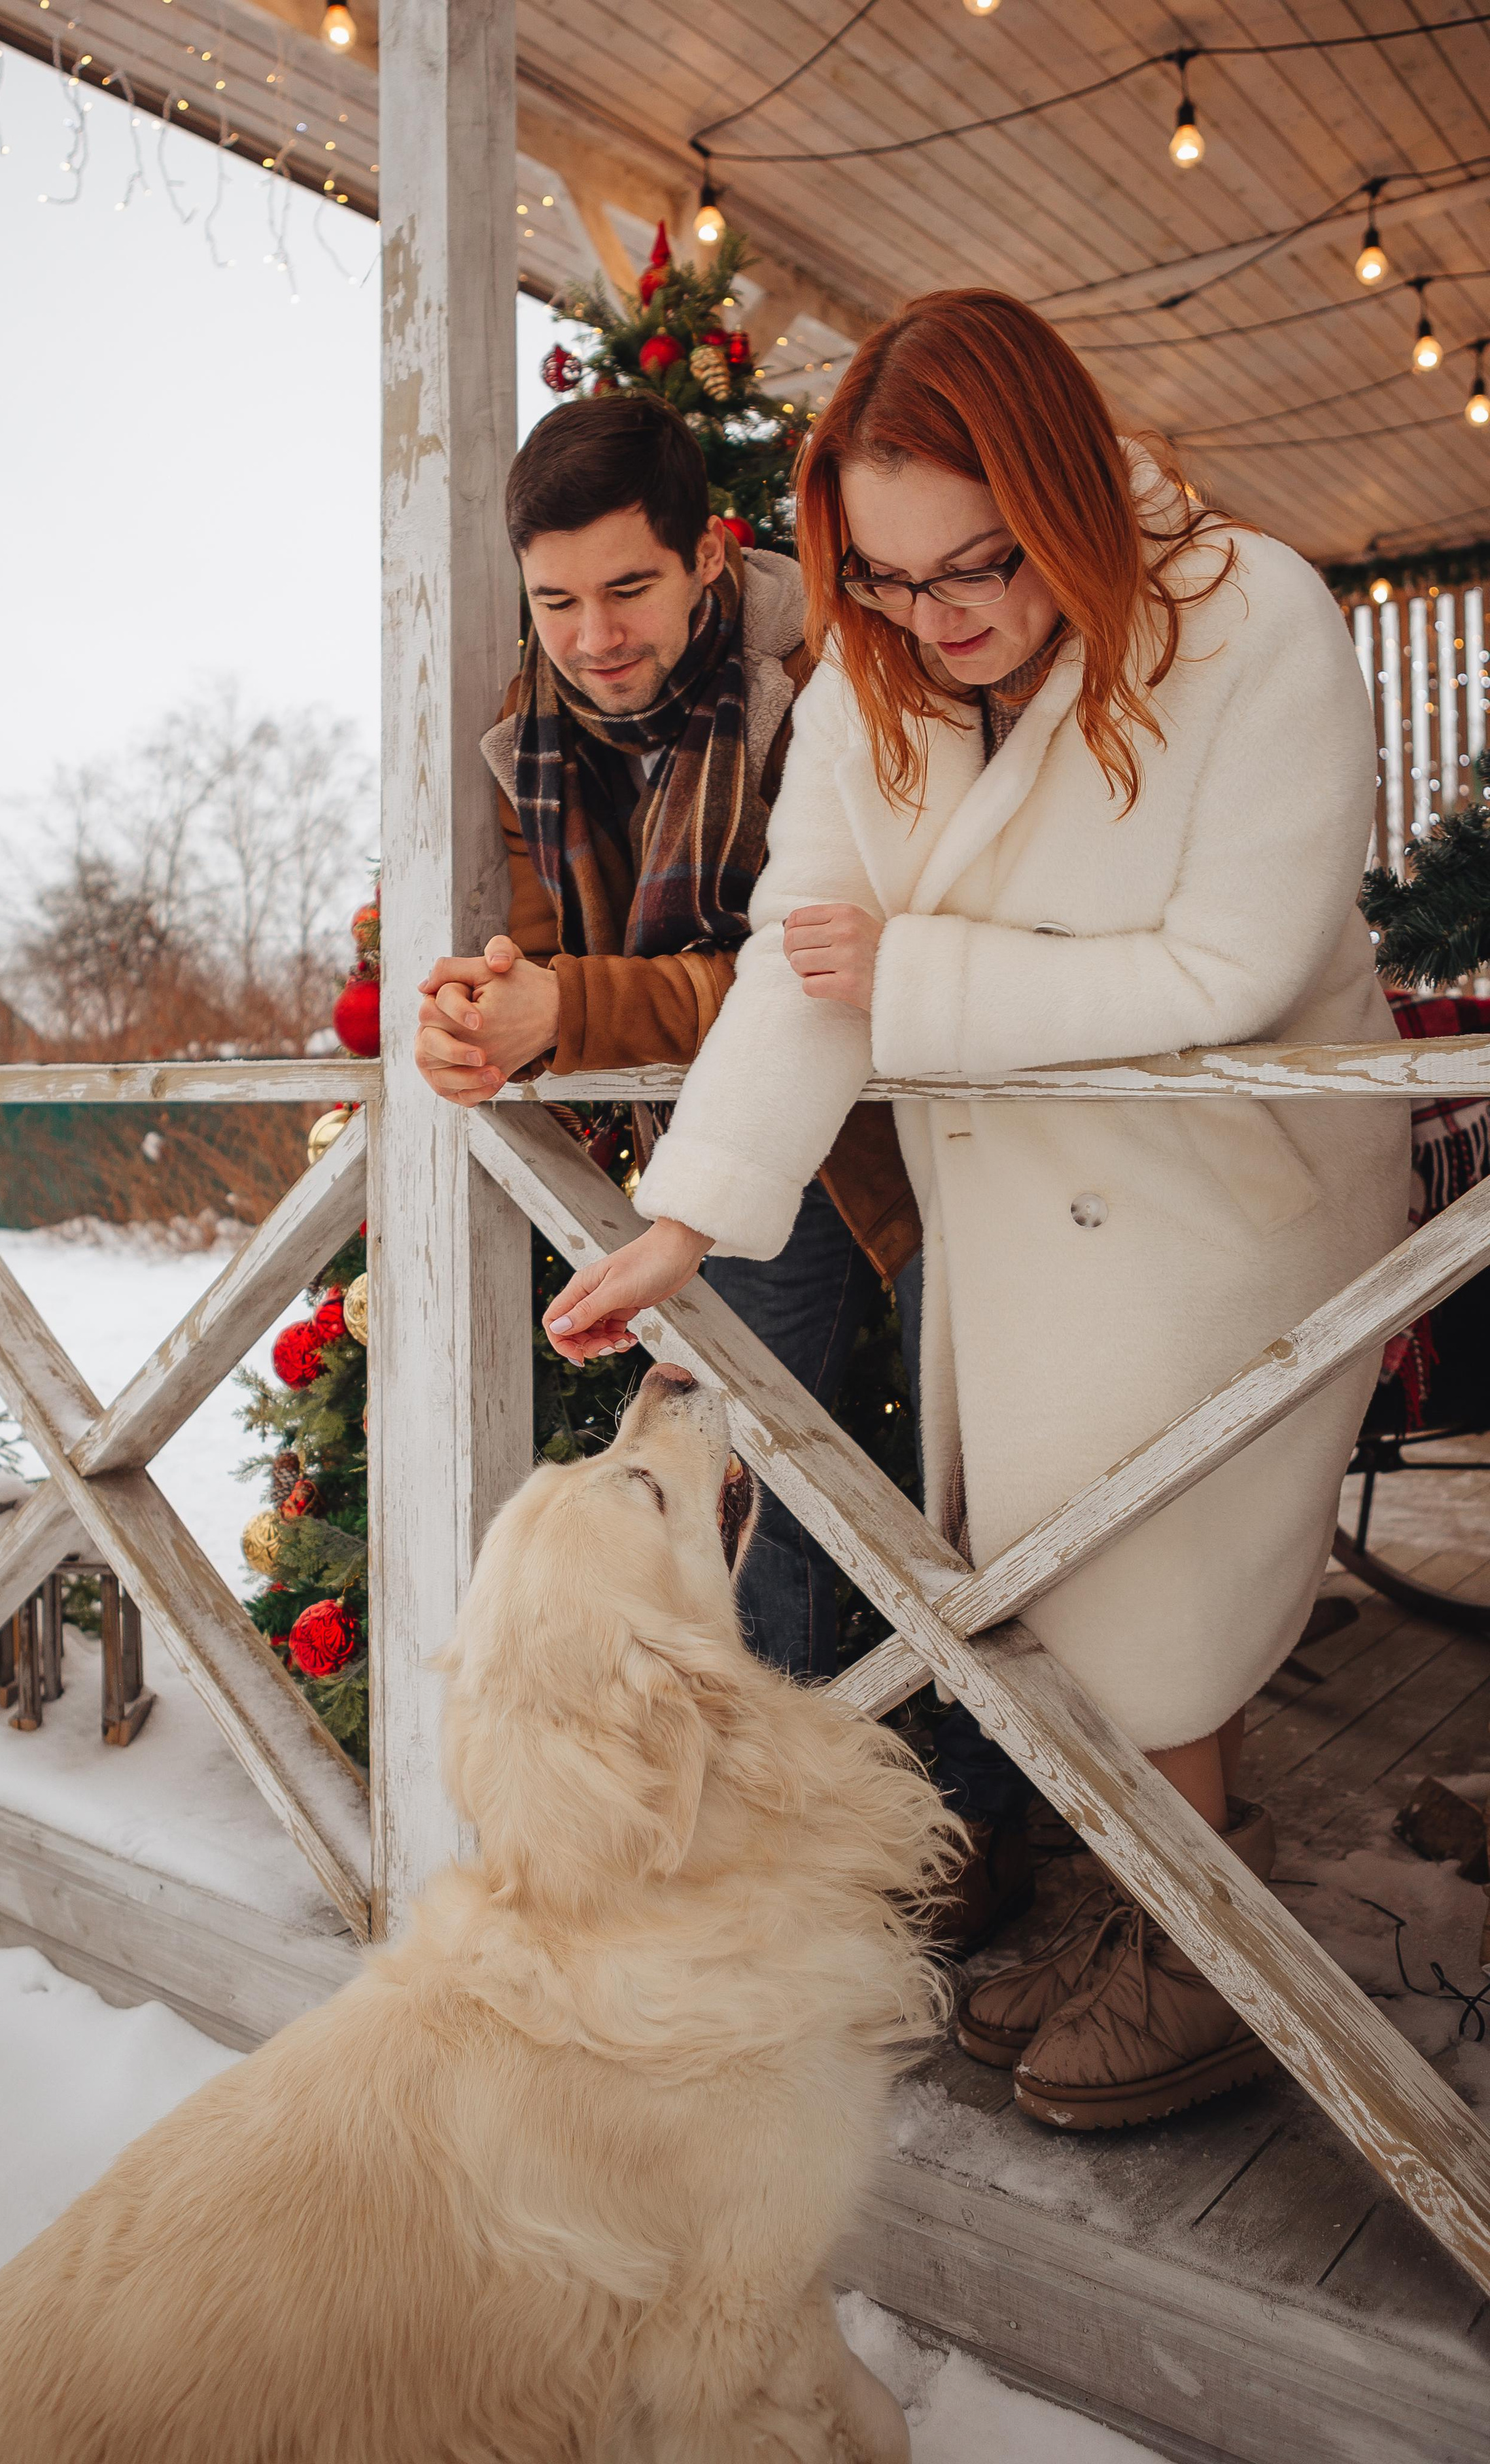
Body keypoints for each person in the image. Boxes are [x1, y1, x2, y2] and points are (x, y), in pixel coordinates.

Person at [540, 289, 1410, 2130]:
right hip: (1017, 1200)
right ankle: (1136, 1895)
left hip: (1229, 1176)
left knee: (1160, 1570)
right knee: (1036, 1553)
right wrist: (689, 1214)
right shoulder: (878, 665)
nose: (944, 620)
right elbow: (802, 960)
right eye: (890, 577)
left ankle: (1207, 1936)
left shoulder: (1254, 617)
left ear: (1074, 484)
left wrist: (916, 976)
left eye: (985, 566)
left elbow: (1234, 961)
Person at [413, 395, 956, 1747]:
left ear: (710, 552)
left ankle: (998, 1810)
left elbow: (805, 968)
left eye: (627, 587)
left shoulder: (827, 680)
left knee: (975, 1482)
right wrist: (482, 1012)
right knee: (737, 1478)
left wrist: (570, 1009)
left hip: (905, 1130)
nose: (592, 637)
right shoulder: (533, 731)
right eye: (554, 600)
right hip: (716, 1148)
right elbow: (534, 954)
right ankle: (757, 1793)